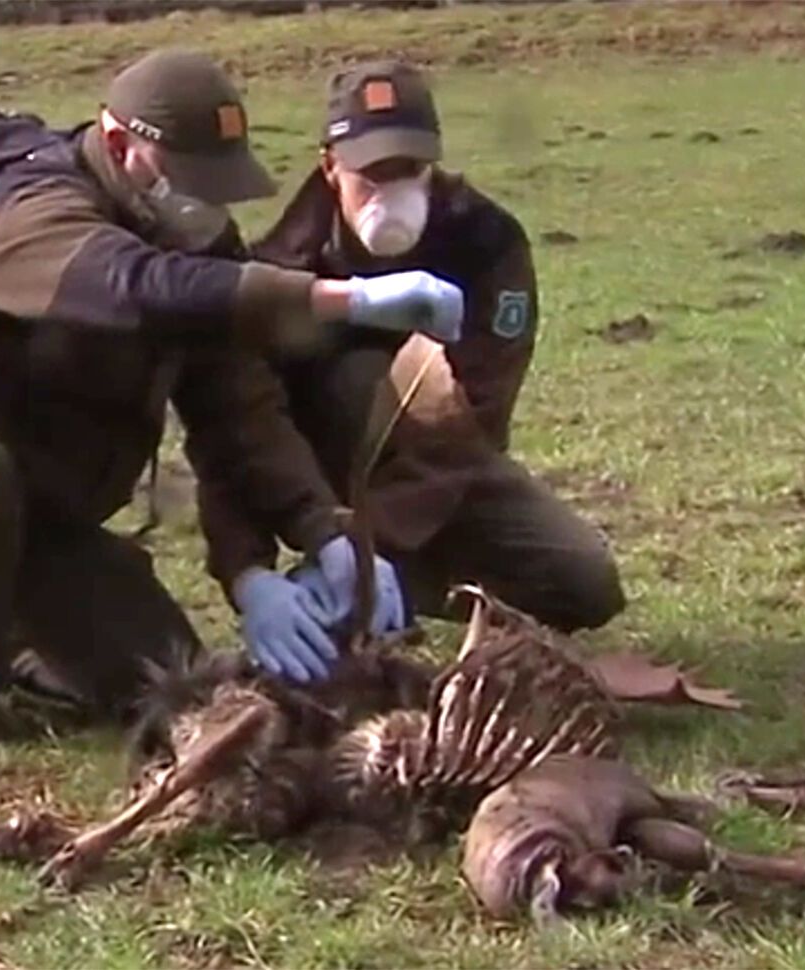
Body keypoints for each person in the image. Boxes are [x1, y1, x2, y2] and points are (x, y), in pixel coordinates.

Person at [0, 49, 460, 755]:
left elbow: (237, 412)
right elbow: (135, 285)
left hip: (46, 514)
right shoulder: (34, 211)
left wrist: (322, 534)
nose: (207, 204)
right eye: (190, 179)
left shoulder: (192, 233)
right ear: (121, 145)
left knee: (170, 681)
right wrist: (343, 300)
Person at [192, 60, 624, 675]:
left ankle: (389, 588)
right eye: (370, 176)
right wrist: (247, 573)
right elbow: (237, 426)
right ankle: (325, 593)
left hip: (439, 466)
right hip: (311, 477)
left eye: (410, 172)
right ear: (329, 167)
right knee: (349, 382)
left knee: (583, 580)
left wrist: (375, 544)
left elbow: (476, 415)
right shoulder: (280, 265)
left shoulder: (485, 244)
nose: (389, 195)